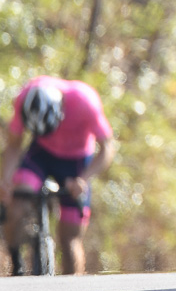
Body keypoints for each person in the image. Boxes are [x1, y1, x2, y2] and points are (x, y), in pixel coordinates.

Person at [1, 76, 117, 275]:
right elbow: (14, 145)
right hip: (41, 154)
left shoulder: (84, 101)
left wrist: (83, 179)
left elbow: (107, 147)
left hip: (76, 162)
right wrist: (5, 181)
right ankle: (16, 260)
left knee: (70, 237)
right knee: (18, 199)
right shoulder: (25, 98)